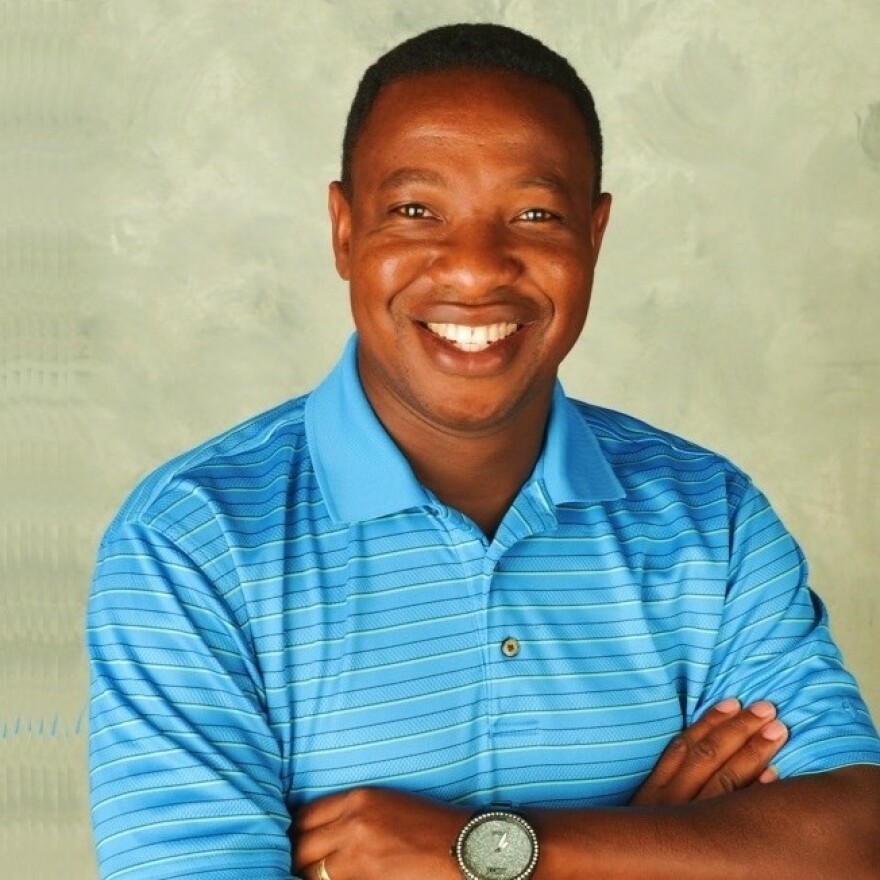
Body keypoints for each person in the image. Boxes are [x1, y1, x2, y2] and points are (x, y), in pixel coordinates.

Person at [87, 23, 880, 880]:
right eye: (416, 211)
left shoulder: (709, 517)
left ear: (594, 235)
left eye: (535, 214)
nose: (473, 270)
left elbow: (856, 840)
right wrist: (653, 847)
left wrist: (496, 850)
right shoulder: (192, 543)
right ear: (344, 231)